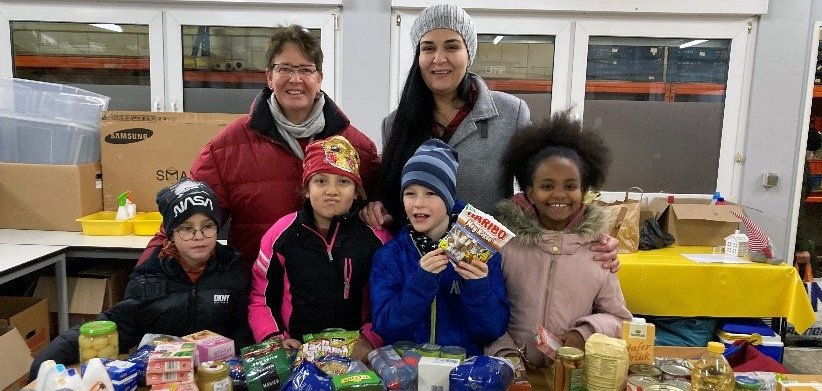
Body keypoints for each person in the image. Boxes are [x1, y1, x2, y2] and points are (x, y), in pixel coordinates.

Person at [360, 3, 620, 271]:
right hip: (419, 268)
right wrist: (378, 209)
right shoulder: (396, 124)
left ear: (469, 53)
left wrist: (589, 234)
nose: (439, 58)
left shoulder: (510, 113)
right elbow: (394, 194)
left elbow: (544, 190)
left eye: (451, 46)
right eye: (428, 48)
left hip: (487, 268)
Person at [138, 24, 379, 271]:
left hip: (336, 296)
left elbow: (386, 214)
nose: (295, 79)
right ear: (269, 77)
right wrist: (144, 280)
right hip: (258, 294)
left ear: (319, 78)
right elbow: (185, 218)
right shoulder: (227, 147)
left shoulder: (357, 148)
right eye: (284, 68)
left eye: (306, 70)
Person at [30, 179, 252, 379]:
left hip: (219, 378)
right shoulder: (150, 276)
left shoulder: (233, 269)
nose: (199, 236)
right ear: (171, 233)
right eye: (186, 228)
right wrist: (45, 361)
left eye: (208, 227)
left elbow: (244, 328)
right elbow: (118, 324)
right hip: (164, 380)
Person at [486, 111, 632, 366]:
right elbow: (484, 311)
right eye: (547, 186)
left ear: (584, 190)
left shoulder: (598, 252)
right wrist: (504, 354)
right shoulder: (506, 246)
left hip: (569, 376)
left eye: (570, 186)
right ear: (530, 192)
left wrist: (584, 332)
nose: (559, 195)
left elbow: (620, 319)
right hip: (510, 374)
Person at [248, 136, 390, 362]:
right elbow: (261, 297)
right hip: (297, 354)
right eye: (321, 181)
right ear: (306, 189)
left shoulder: (377, 239)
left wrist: (371, 338)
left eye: (343, 182)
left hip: (357, 357)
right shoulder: (280, 235)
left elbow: (390, 299)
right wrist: (273, 337)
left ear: (356, 192)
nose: (331, 191)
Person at [370, 139, 509, 356]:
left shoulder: (482, 254)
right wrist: (421, 283)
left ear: (448, 199)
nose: (418, 203)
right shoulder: (389, 256)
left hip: (461, 373)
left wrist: (477, 286)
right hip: (408, 374)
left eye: (431, 193)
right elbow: (386, 328)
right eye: (410, 193)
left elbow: (491, 331)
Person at [795, 125, 822, 280]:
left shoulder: (801, 166)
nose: (812, 155)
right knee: (810, 255)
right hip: (795, 239)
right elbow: (798, 210)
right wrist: (802, 247)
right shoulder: (800, 170)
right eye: (811, 151)